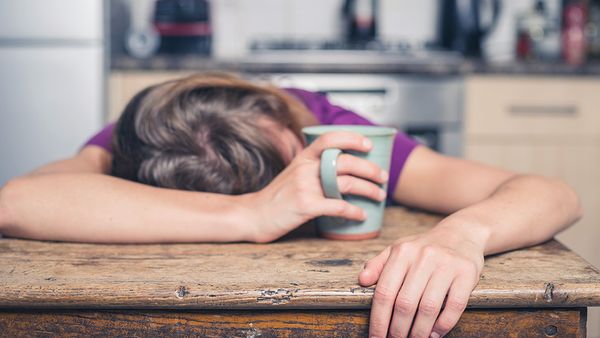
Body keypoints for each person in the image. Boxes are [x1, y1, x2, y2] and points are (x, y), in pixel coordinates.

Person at [0, 73, 582, 337]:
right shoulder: (149, 136)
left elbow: (555, 194)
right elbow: (19, 202)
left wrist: (463, 235)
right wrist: (252, 214)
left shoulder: (316, 119)